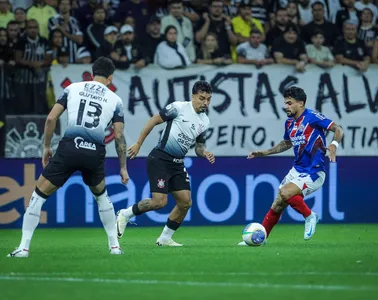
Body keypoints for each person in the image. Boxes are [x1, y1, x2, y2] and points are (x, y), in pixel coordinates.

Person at [7, 57, 129, 257]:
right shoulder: (115, 100)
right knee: (101, 196)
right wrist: (123, 167)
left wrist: (46, 146)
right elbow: (118, 136)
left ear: (91, 74)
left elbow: (51, 118)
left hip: (70, 148)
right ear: (110, 78)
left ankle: (23, 247)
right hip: (94, 151)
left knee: (38, 195)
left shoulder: (72, 88)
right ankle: (114, 246)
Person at [239, 86, 344, 245]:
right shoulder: (289, 123)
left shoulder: (312, 117)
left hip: (314, 171)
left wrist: (334, 144)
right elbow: (287, 143)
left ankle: (310, 216)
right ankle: (261, 238)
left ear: (300, 103)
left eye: (289, 103)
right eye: (285, 103)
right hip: (297, 169)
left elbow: (338, 129)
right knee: (278, 203)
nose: (286, 106)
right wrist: (266, 152)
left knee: (285, 192)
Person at [116, 81, 215, 247]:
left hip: (177, 164)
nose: (205, 102)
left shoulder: (205, 121)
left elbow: (199, 147)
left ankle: (164, 239)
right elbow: (153, 120)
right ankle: (125, 214)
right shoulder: (178, 108)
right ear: (193, 97)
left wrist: (204, 152)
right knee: (159, 202)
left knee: (185, 203)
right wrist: (138, 144)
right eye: (202, 98)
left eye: (209, 99)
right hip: (160, 158)